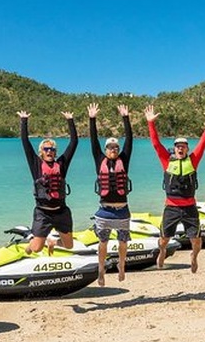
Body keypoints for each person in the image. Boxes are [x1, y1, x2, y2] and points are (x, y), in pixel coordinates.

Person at [145, 104, 205, 273]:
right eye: (178, 146)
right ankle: (162, 251)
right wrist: (151, 123)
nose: (180, 148)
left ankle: (194, 256)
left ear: (187, 149)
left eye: (183, 146)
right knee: (164, 239)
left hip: (189, 207)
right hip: (171, 207)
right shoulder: (167, 161)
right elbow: (156, 145)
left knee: (197, 240)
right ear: (175, 148)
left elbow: (203, 143)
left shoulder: (193, 161)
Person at [18, 110, 78, 254]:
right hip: (42, 213)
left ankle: (52, 241)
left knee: (69, 245)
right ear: (41, 152)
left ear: (55, 152)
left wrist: (70, 120)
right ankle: (31, 243)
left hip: (61, 212)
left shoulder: (62, 165)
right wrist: (24, 121)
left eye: (52, 149)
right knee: (36, 249)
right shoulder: (36, 165)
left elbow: (74, 143)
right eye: (46, 149)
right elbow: (25, 142)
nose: (49, 151)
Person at [88, 103, 133, 286]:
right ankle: (101, 270)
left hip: (122, 210)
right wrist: (92, 119)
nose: (113, 150)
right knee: (103, 242)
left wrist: (126, 118)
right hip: (104, 211)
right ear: (106, 150)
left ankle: (121, 266)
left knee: (123, 243)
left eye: (115, 147)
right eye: (110, 148)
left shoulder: (124, 159)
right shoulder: (100, 160)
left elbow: (129, 139)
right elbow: (93, 141)